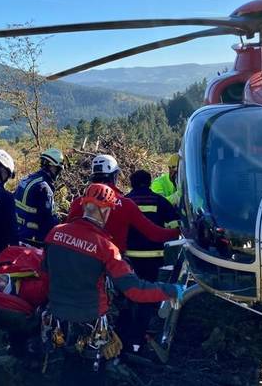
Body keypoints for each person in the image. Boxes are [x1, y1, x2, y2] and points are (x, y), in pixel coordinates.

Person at [43, 183, 183, 386]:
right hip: (91, 323)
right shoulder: (106, 247)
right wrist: (170, 290)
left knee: (69, 364)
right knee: (93, 374)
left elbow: (45, 273)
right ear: (105, 210)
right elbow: (134, 290)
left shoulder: (54, 234)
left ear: (84, 206)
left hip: (58, 319)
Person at [67, 154, 180, 254]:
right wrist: (178, 232)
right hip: (113, 263)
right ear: (114, 176)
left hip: (83, 260)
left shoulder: (77, 203)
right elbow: (153, 232)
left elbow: (69, 234)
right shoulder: (125, 204)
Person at [121, 170, 180, 352]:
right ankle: (142, 333)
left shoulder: (125, 201)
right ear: (148, 182)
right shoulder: (159, 201)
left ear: (131, 183)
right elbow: (174, 226)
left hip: (130, 258)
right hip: (154, 257)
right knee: (148, 292)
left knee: (130, 293)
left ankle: (126, 332)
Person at [14, 148, 64, 246]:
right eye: (58, 169)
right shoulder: (44, 187)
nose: (58, 173)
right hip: (33, 239)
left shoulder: (28, 179)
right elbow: (48, 219)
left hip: (17, 233)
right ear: (52, 167)